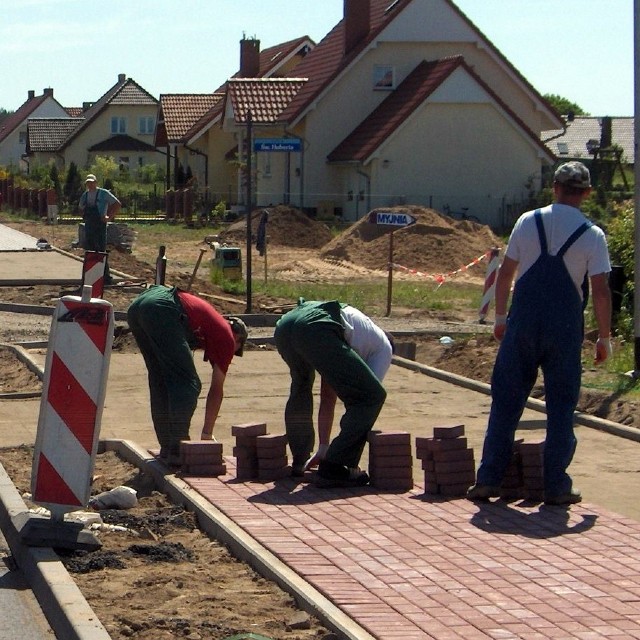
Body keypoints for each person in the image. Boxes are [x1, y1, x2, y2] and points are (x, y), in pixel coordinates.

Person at [467, 161, 612, 506]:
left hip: (523, 325)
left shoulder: (527, 221)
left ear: (555, 188)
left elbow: (505, 275)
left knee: (506, 403)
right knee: (561, 407)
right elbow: (602, 290)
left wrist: (500, 317)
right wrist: (604, 337)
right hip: (564, 331)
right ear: (587, 194)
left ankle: (488, 479)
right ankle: (556, 486)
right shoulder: (592, 235)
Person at [274, 298, 393, 487]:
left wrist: (323, 447)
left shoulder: (357, 334)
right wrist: (341, 452)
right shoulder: (384, 348)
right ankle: (337, 466)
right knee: (371, 398)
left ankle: (300, 461)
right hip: (316, 326)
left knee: (301, 385)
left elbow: (327, 397)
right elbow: (364, 400)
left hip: (286, 325)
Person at [127, 285, 248, 464]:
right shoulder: (227, 338)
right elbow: (216, 390)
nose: (231, 355)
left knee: (161, 381)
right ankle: (177, 448)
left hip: (139, 306)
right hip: (162, 306)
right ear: (237, 338)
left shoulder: (210, 325)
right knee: (188, 384)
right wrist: (207, 434)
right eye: (237, 349)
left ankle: (167, 448)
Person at [78, 174, 121, 285]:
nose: (90, 184)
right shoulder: (85, 195)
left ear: (96, 182)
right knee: (90, 249)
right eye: (88, 183)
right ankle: (91, 275)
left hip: (100, 225)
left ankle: (105, 277)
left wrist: (108, 217)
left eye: (92, 182)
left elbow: (117, 204)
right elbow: (80, 208)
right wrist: (84, 215)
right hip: (89, 225)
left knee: (101, 249)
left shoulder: (103, 193)